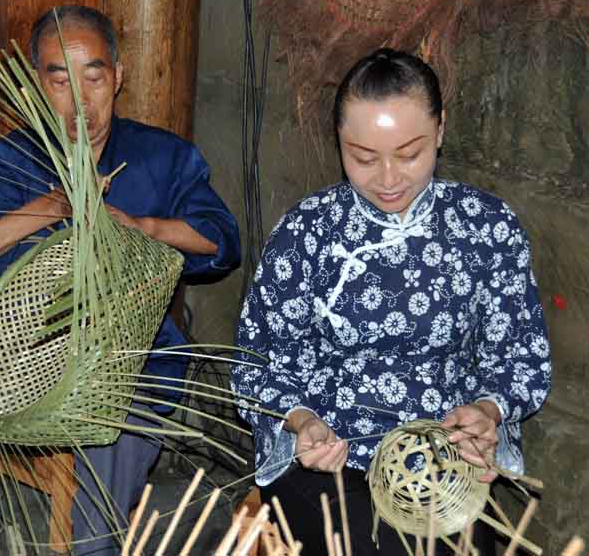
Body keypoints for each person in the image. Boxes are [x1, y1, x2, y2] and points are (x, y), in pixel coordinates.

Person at [0, 5, 240, 556]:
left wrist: (143, 227)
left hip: (132, 359)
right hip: (24, 356)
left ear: (117, 78)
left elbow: (221, 242)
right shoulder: (17, 157)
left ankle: (95, 546)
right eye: (59, 80)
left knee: (111, 436)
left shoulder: (163, 157)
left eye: (94, 78)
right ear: (35, 84)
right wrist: (52, 205)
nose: (80, 101)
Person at [231, 48, 551, 555]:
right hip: (329, 456)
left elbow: (520, 358)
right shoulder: (308, 231)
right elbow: (257, 364)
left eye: (408, 154)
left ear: (441, 131)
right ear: (338, 142)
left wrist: (487, 412)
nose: (387, 179)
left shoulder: (486, 227)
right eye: (362, 157)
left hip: (442, 464)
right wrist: (301, 422)